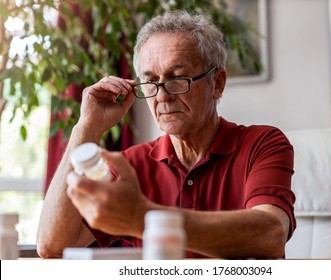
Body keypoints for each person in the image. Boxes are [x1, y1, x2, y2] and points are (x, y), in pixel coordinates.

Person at [37, 10, 296, 259]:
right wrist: (87, 127)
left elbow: (271, 234)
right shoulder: (129, 165)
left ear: (217, 84)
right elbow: (53, 245)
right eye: (150, 81)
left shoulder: (262, 144)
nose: (162, 95)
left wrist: (142, 217)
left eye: (178, 78)